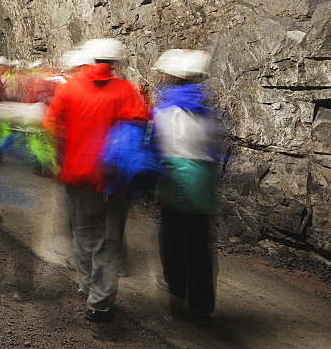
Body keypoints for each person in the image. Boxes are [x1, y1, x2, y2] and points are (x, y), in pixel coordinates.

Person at [44, 38, 149, 323]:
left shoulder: (70, 89)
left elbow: (52, 125)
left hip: (78, 175)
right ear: (114, 63)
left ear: (89, 60)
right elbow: (140, 126)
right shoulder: (126, 90)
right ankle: (99, 304)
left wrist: (61, 158)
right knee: (109, 239)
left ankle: (86, 283)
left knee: (84, 233)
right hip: (113, 178)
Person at [152, 49, 221, 322]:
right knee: (199, 244)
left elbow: (154, 146)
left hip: (175, 183)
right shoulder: (207, 111)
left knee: (173, 241)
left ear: (172, 77)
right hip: (203, 185)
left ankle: (177, 294)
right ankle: (202, 305)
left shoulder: (164, 111)